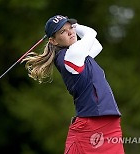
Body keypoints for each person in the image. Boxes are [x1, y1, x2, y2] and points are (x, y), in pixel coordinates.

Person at [22, 15, 124, 154]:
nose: (70, 32)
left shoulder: (80, 55)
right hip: (90, 128)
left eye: (70, 28)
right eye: (63, 31)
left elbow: (97, 45)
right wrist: (77, 27)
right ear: (53, 40)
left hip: (110, 126)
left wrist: (72, 28)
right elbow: (91, 34)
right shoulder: (70, 56)